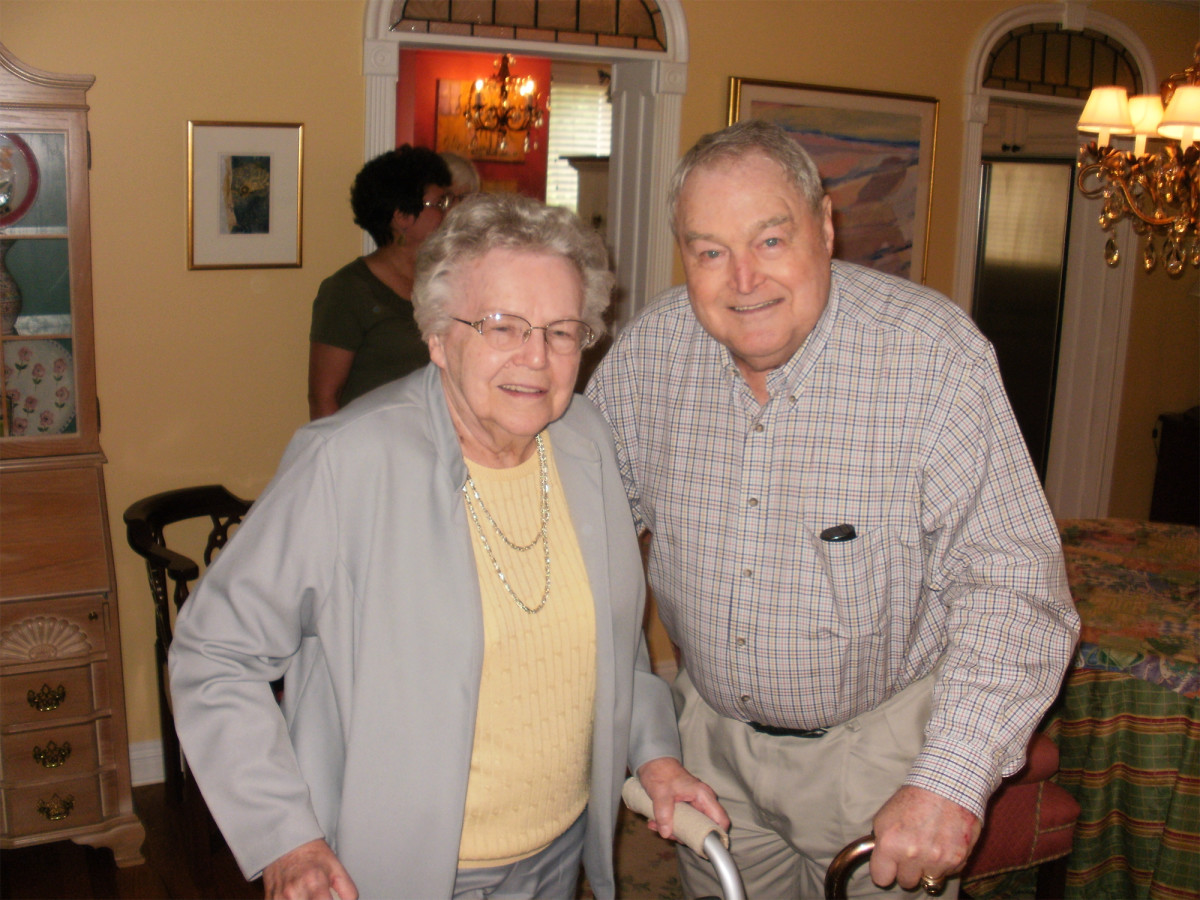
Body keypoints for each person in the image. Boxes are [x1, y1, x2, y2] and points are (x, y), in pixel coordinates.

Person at [169, 191, 727, 900]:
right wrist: (286, 837)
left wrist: (656, 758)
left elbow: (618, 652)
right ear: (437, 334)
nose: (536, 357)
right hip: (404, 870)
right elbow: (213, 654)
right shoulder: (348, 462)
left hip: (562, 849)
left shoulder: (586, 440)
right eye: (502, 326)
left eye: (562, 331)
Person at [585, 119, 1080, 899]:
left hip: (878, 755)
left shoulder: (932, 357)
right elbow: (584, 537)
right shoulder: (651, 354)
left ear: (823, 227)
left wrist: (948, 781)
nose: (742, 279)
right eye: (709, 251)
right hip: (708, 745)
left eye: (770, 240)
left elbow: (1013, 588)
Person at [307, 145, 452, 420]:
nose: (449, 212)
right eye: (440, 203)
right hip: (372, 447)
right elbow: (323, 397)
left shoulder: (450, 280)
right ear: (402, 218)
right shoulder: (348, 290)